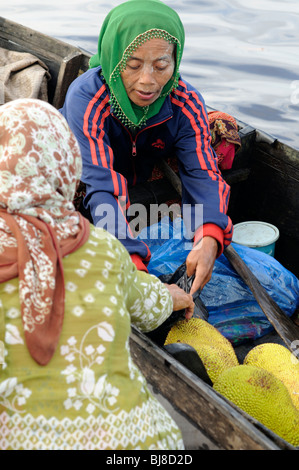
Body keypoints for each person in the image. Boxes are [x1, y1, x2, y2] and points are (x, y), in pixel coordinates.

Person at [0, 98, 194, 450]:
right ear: (68, 165)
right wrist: (174, 296)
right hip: (136, 443)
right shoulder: (103, 247)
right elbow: (149, 310)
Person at [60, 0, 233, 297]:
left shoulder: (183, 99)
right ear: (115, 60)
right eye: (133, 65)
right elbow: (100, 185)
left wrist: (209, 238)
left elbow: (202, 172)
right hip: (92, 174)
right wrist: (133, 264)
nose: (148, 81)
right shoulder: (87, 97)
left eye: (162, 65)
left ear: (175, 62)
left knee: (223, 130)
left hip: (143, 168)